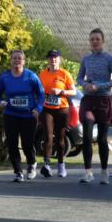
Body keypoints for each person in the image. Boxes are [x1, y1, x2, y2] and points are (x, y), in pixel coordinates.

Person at [0, 50, 45, 182]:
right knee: (12, 143)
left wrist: (38, 109)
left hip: (28, 115)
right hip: (11, 114)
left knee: (27, 144)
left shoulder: (31, 76)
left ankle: (31, 164)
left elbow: (41, 94)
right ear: (11, 60)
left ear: (24, 61)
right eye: (14, 58)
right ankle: (18, 172)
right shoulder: (5, 77)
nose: (17, 60)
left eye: (19, 58)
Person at [76, 29, 112, 184]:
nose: (94, 42)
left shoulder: (109, 58)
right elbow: (79, 78)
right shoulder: (86, 59)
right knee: (87, 137)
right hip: (88, 100)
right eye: (92, 39)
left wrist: (99, 86)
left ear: (103, 41)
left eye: (97, 39)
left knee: (102, 138)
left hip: (104, 101)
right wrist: (85, 85)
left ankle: (104, 171)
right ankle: (88, 172)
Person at [37, 49, 77, 178]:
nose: (53, 59)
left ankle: (61, 164)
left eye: (55, 57)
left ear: (59, 59)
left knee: (60, 139)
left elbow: (74, 92)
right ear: (47, 60)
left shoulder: (65, 74)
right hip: (47, 109)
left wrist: (61, 92)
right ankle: (47, 165)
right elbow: (37, 90)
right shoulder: (43, 74)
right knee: (48, 137)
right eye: (50, 57)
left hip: (62, 109)